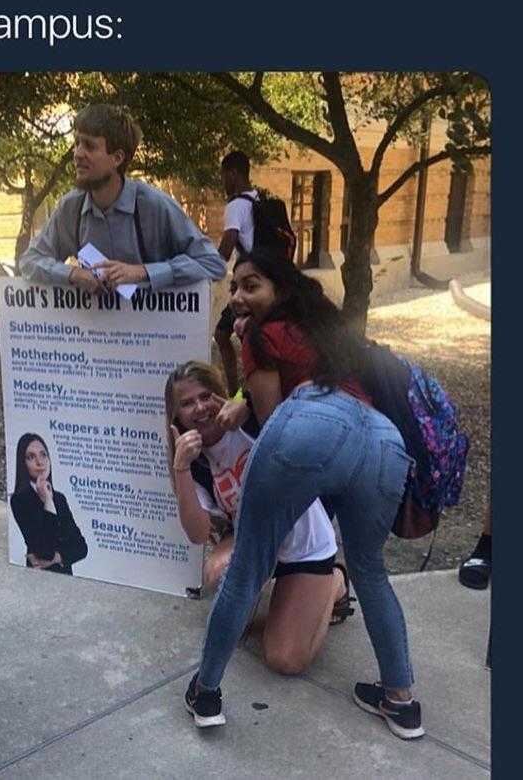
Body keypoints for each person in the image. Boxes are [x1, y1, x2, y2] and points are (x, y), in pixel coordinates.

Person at [184, 250, 424, 740]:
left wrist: (242, 401)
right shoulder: (325, 332)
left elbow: (276, 422)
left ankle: (205, 693)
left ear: (281, 290)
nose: (237, 297)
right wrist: (240, 400)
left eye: (251, 285)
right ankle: (401, 702)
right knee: (371, 569)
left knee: (248, 566)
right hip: (381, 438)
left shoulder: (259, 334)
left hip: (311, 423)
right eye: (234, 287)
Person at [166, 362, 353, 679]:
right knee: (216, 573)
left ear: (219, 396)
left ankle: (334, 581)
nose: (200, 408)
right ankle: (284, 591)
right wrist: (181, 468)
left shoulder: (250, 422)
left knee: (284, 659)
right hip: (256, 542)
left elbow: (303, 392)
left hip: (303, 545)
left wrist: (249, 403)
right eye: (187, 403)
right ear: (177, 417)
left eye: (205, 396)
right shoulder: (195, 463)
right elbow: (198, 534)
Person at [18, 104, 226, 292]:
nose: (77, 154)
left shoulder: (154, 206)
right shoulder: (71, 208)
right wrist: (72, 274)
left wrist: (144, 272)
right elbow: (29, 261)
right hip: (95, 331)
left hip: (153, 330)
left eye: (89, 146)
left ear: (117, 158)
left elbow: (213, 264)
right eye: (77, 144)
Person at [214, 150, 295, 395]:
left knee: (225, 334)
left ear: (233, 174)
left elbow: (227, 247)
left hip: (251, 283)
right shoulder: (261, 199)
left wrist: (205, 267)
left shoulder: (236, 205)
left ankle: (237, 392)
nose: (224, 183)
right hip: (271, 280)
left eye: (224, 177)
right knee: (260, 336)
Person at [9, 434, 89, 575]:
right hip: (39, 580)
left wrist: (56, 558)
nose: (40, 462)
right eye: (31, 457)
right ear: (23, 464)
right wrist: (47, 501)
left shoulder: (59, 498)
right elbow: (45, 552)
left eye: (43, 455)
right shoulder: (19, 500)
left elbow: (81, 548)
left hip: (65, 578)